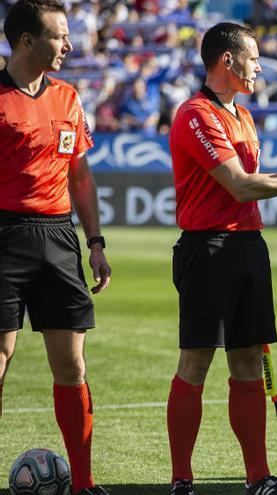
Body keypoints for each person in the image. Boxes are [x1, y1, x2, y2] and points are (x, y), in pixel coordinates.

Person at [165, 22, 277, 495]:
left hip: (248, 246)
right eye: (254, 57)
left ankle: (257, 478)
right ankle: (181, 479)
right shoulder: (195, 114)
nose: (260, 66)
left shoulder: (242, 114)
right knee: (196, 362)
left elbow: (254, 180)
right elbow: (240, 184)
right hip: (208, 248)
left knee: (247, 363)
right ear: (228, 61)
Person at [0, 1, 112, 494]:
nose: (69, 45)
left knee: (72, 366)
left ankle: (84, 484)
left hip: (58, 237)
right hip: (4, 237)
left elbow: (80, 175)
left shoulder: (67, 96)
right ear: (26, 41)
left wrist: (95, 242)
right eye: (59, 36)